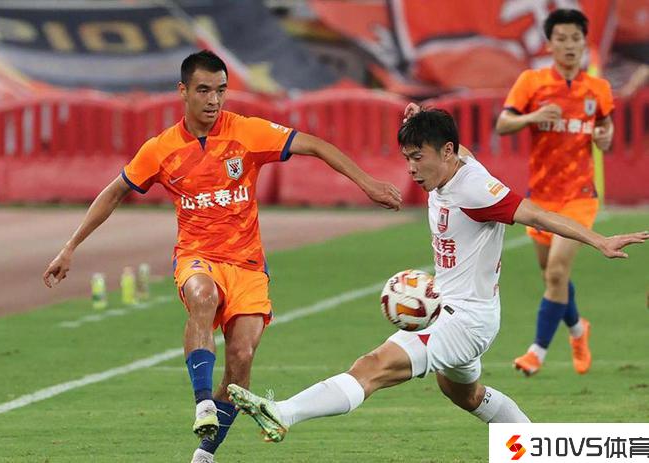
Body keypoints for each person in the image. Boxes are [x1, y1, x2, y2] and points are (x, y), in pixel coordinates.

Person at [42, 50, 401, 463]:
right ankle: (202, 403)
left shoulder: (247, 132)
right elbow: (115, 191)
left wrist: (367, 183)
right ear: (183, 91)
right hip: (197, 256)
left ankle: (204, 454)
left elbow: (315, 145)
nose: (213, 100)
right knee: (203, 296)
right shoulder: (160, 149)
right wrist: (70, 246)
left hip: (247, 265)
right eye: (203, 90)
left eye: (221, 90)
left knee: (241, 361)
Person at [227, 108, 647, 449]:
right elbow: (455, 146)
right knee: (466, 395)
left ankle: (284, 412)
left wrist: (598, 240)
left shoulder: (477, 190)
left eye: (418, 157)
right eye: (407, 158)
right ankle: (538, 449)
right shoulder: (451, 163)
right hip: (454, 311)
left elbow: (537, 215)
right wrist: (421, 115)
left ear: (446, 152)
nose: (411, 169)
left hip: (465, 320)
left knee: (372, 367)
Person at [495, 9, 615, 376]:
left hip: (579, 196)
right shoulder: (532, 82)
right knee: (552, 275)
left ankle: (536, 352)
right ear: (549, 44)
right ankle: (578, 329)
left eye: (575, 38)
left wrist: (604, 138)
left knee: (558, 271)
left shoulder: (598, 89)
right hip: (542, 198)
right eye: (561, 39)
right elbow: (503, 123)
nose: (569, 45)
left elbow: (606, 131)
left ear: (584, 43)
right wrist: (532, 118)